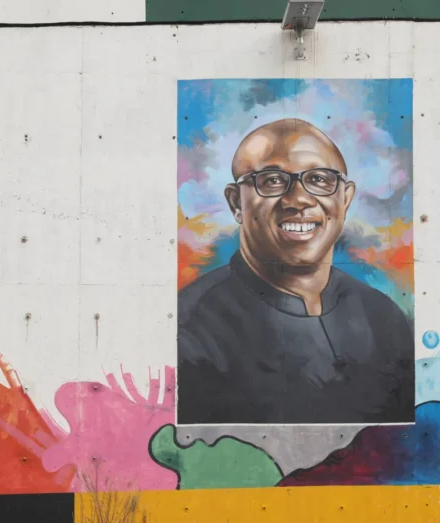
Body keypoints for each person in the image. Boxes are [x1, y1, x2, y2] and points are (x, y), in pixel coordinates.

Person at [177, 118, 414, 425]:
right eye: (273, 180)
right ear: (236, 203)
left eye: (319, 179)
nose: (298, 199)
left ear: (345, 198)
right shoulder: (190, 332)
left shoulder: (384, 318)